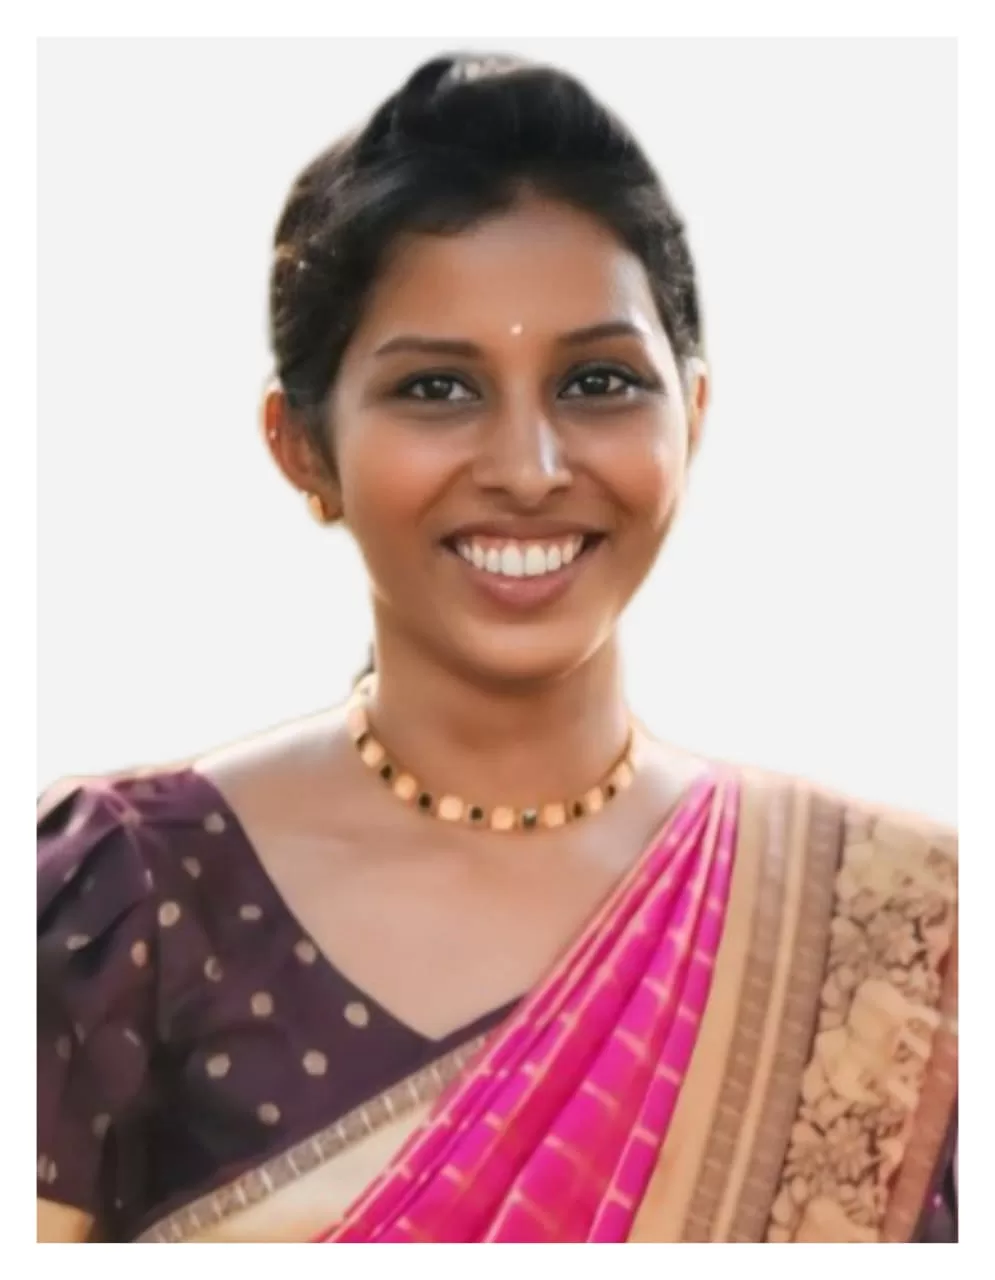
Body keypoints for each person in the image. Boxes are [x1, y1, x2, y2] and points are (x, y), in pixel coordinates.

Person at [36, 52, 957, 1244]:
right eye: (436, 389)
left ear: (692, 415)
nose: (529, 468)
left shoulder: (886, 931)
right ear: (301, 446)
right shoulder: (132, 900)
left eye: (597, 380)